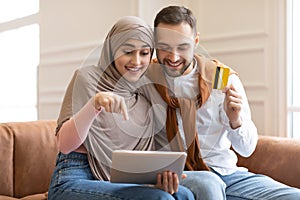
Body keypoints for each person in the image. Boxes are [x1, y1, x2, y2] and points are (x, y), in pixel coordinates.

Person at [144, 5, 300, 200]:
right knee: (209, 186)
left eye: (182, 47)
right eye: (164, 48)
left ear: (196, 41)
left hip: (227, 174)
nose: (173, 57)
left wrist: (236, 120)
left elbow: (247, 149)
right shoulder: (147, 77)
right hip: (179, 175)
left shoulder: (219, 76)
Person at [48, 16, 194, 200]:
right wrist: (95, 104)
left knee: (186, 195)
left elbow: (191, 69)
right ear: (112, 50)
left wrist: (156, 178)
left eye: (144, 53)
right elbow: (65, 145)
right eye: (128, 52)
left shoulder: (147, 90)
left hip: (122, 179)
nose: (136, 61)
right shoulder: (87, 78)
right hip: (74, 176)